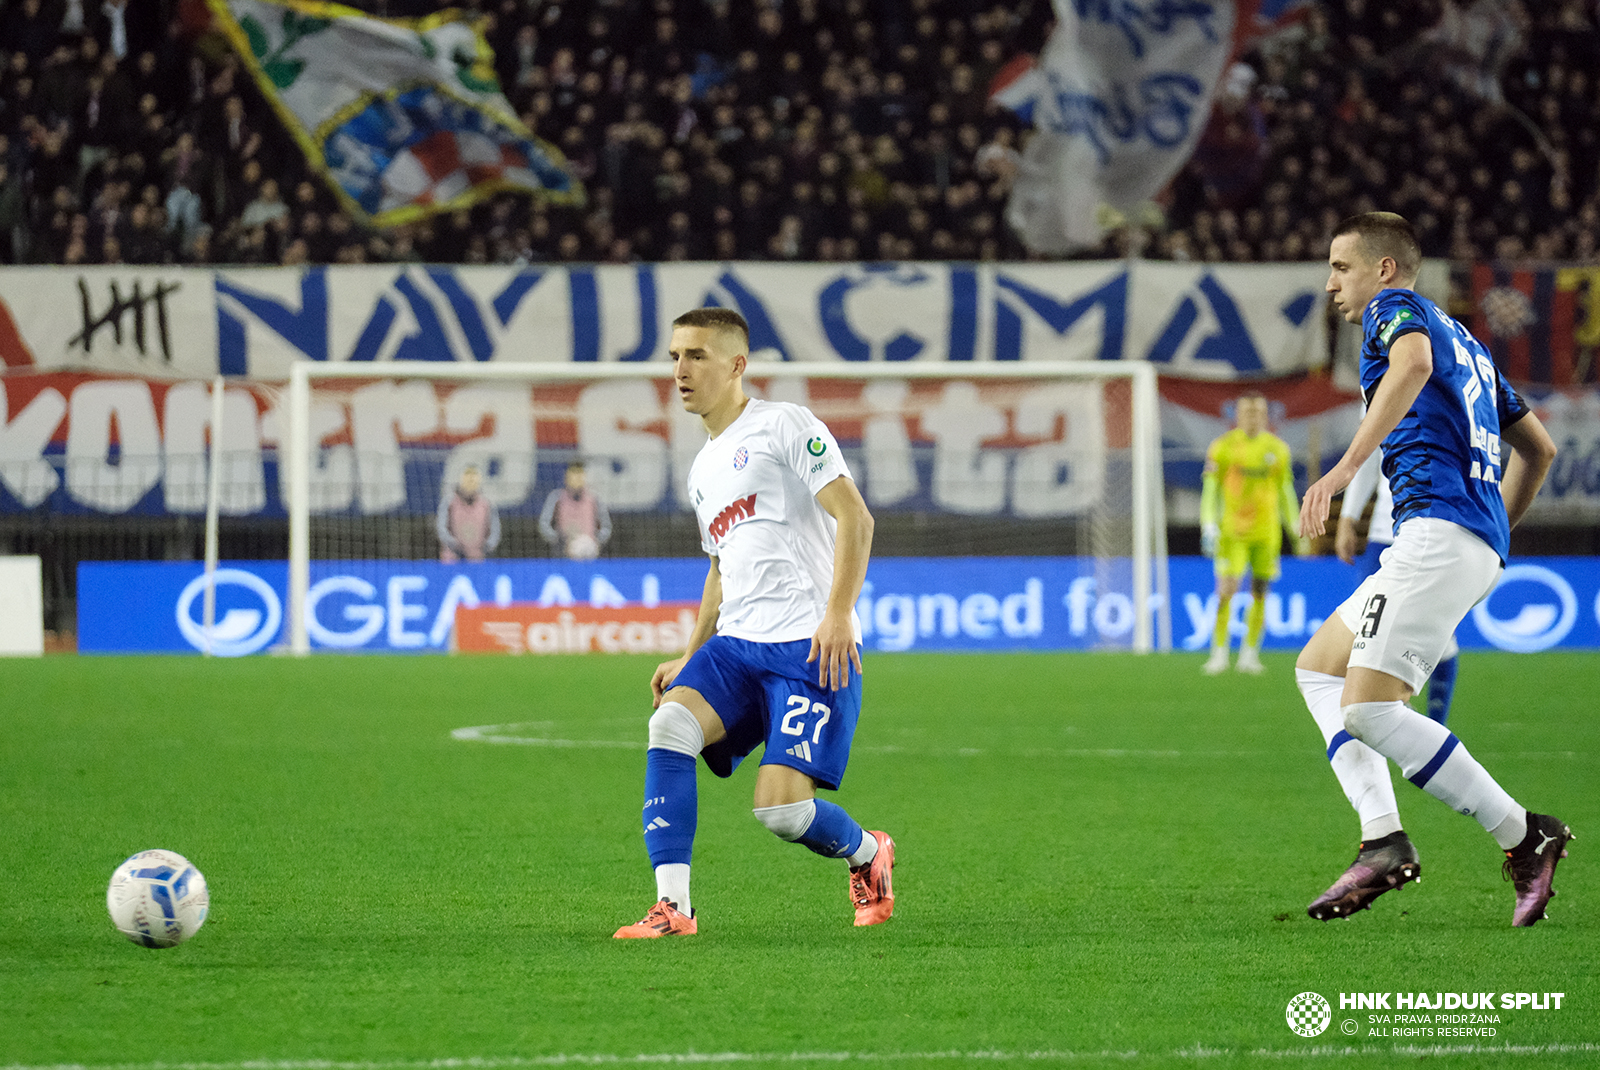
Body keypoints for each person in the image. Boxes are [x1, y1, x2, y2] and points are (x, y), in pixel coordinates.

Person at [1298, 212, 1568, 927]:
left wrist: (1345, 469)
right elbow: (1537, 450)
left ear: (1383, 268)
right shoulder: (1471, 346)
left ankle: (1524, 835)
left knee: (1368, 708)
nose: (1332, 284)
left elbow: (1411, 366)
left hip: (1437, 536)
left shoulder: (1397, 312)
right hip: (1457, 539)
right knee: (1320, 668)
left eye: (1342, 267)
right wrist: (1493, 536)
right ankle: (1383, 840)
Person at [613, 307, 894, 939]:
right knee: (669, 726)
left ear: (737, 365)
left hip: (807, 648)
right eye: (675, 357)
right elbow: (720, 571)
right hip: (736, 647)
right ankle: (674, 909)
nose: (681, 371)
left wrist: (839, 613)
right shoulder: (702, 469)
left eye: (697, 356)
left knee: (783, 812)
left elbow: (856, 518)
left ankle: (870, 855)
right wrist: (690, 654)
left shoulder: (785, 425)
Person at [1337, 448, 1459, 724]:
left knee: (1438, 634)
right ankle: (1375, 719)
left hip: (1434, 531)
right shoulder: (1373, 404)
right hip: (1384, 532)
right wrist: (1348, 517)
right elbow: (1368, 459)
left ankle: (1436, 726)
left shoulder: (1454, 404)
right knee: (1363, 631)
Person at [1200, 394, 1303, 675]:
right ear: (1238, 414)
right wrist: (1208, 523)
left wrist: (1294, 526)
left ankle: (1249, 654)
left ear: (1266, 415)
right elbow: (1211, 489)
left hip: (1266, 533)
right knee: (1226, 591)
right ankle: (1219, 652)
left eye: (1259, 411)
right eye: (1248, 411)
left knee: (1260, 592)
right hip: (1231, 531)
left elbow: (1285, 490)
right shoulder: (1223, 447)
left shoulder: (1277, 449)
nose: (1253, 416)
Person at [538, 460, 611, 560]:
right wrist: (558, 540)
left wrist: (596, 541)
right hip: (563, 552)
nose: (576, 479)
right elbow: (544, 524)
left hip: (589, 551)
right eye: (573, 475)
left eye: (579, 475)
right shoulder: (557, 497)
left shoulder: (594, 498)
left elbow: (606, 526)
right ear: (566, 477)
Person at [436, 465, 500, 563]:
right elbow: (441, 528)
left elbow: (494, 530)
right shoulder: (449, 502)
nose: (470, 484)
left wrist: (487, 546)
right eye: (467, 480)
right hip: (452, 559)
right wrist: (453, 545)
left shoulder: (486, 504)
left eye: (473, 481)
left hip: (477, 559)